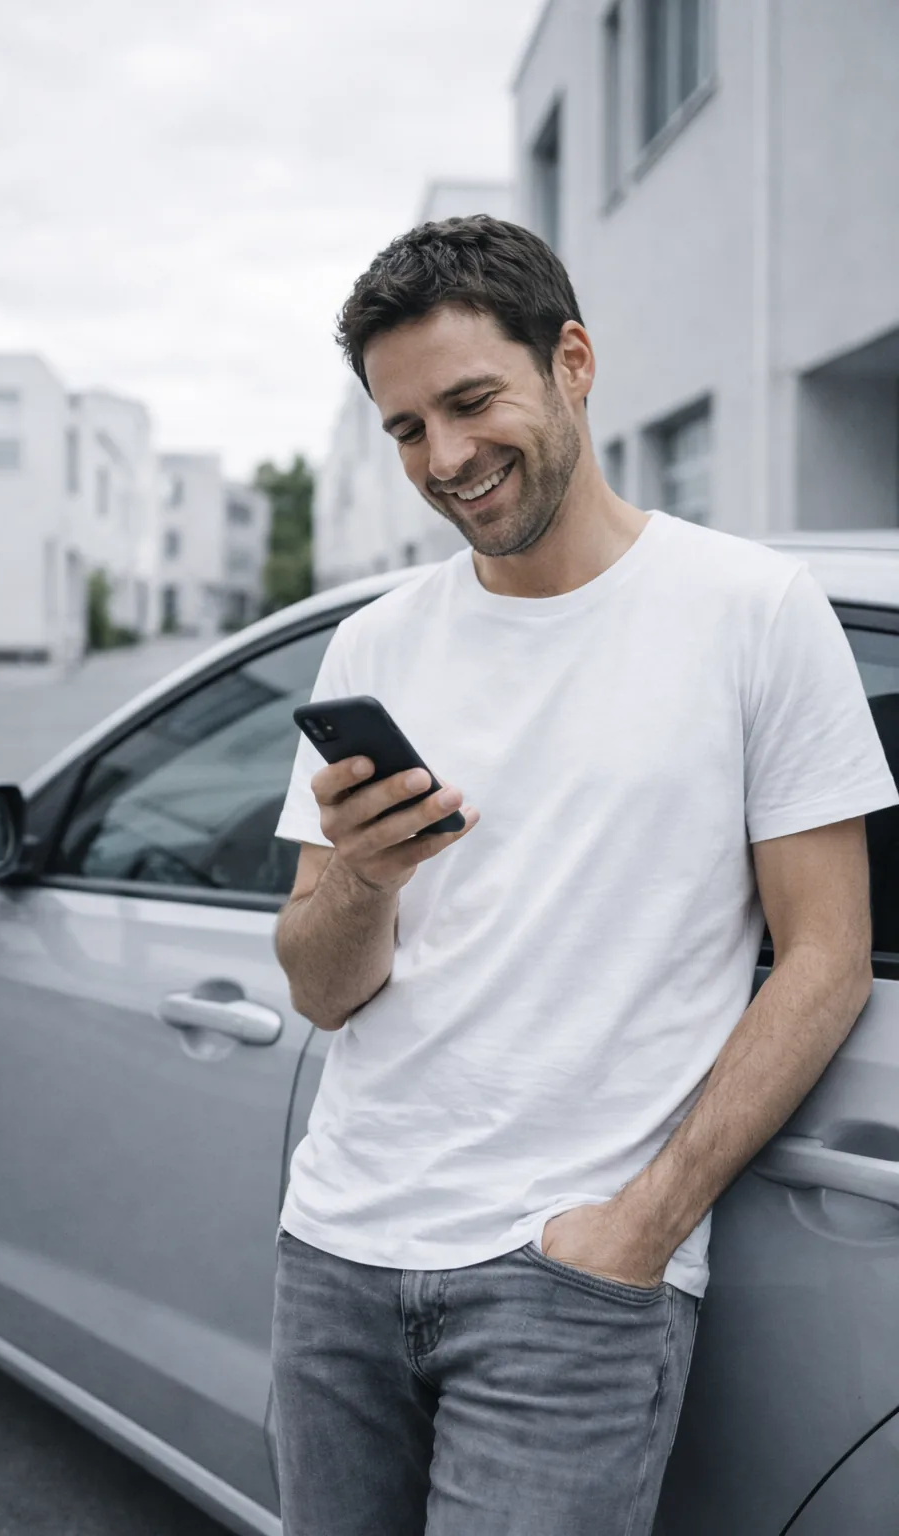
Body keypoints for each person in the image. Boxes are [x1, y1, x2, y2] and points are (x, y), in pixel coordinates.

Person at [269, 215, 898, 1536]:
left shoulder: (752, 611)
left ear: (573, 361)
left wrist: (642, 1228)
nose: (445, 459)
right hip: (336, 1248)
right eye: (404, 431)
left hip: (571, 1279)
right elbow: (323, 989)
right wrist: (364, 881)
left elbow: (828, 953)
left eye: (469, 401)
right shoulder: (375, 644)